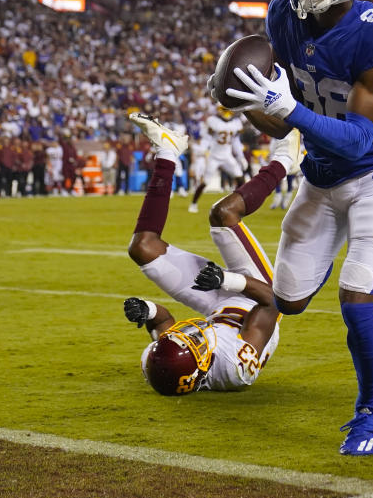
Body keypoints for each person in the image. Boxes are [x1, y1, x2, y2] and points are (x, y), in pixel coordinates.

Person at [221, 0, 373, 456]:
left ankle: (368, 412)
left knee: (357, 301)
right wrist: (249, 106)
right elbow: (284, 120)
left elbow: (354, 138)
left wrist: (287, 111)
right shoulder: (283, 16)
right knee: (288, 299)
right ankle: (302, 271)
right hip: (321, 178)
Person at [124, 112, 291, 395]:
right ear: (203, 367)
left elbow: (164, 324)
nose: (194, 334)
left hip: (217, 306)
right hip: (257, 297)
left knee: (143, 248)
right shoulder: (234, 367)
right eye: (196, 343)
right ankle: (285, 160)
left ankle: (167, 150)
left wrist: (148, 310)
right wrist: (228, 280)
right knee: (223, 214)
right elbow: (274, 304)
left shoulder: (159, 365)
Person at [189, 107, 247, 213]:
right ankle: (193, 203)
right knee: (205, 182)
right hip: (214, 156)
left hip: (227, 156)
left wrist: (241, 157)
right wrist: (202, 149)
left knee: (240, 179)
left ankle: (236, 204)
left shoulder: (236, 122)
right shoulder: (213, 121)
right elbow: (207, 138)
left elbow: (235, 142)